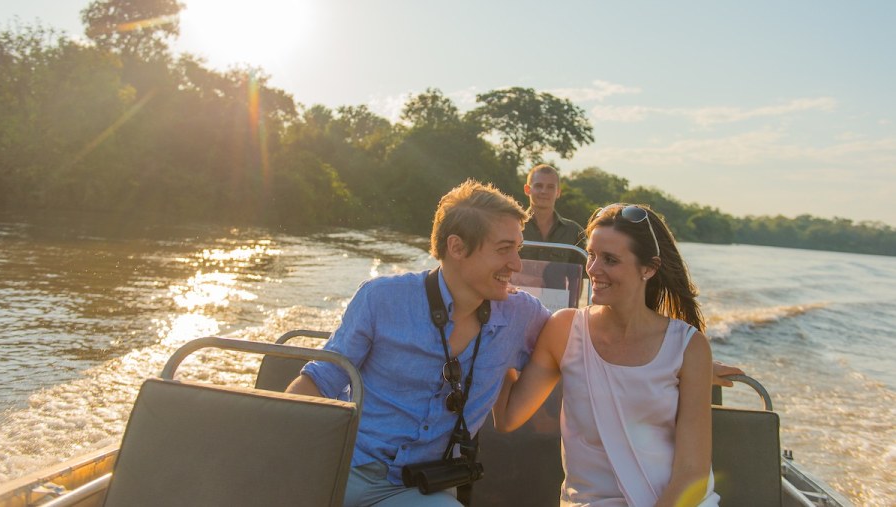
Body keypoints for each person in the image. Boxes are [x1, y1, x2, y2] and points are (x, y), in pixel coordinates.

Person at [288, 179, 552, 506]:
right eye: (503, 249)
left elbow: (578, 339)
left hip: (422, 488)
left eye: (518, 248)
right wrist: (281, 459)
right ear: (456, 248)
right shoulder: (381, 298)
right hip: (345, 469)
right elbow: (321, 381)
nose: (517, 264)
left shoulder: (521, 315)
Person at [493, 203, 721, 507]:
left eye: (610, 260)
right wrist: (497, 326)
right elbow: (508, 417)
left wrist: (700, 371)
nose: (593, 269)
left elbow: (692, 474)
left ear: (648, 268)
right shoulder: (564, 330)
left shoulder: (689, 348)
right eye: (591, 255)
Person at [520, 164, 585, 264]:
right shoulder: (513, 227)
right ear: (527, 189)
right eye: (538, 186)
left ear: (558, 192)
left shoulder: (574, 232)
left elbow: (585, 275)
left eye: (550, 187)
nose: (544, 191)